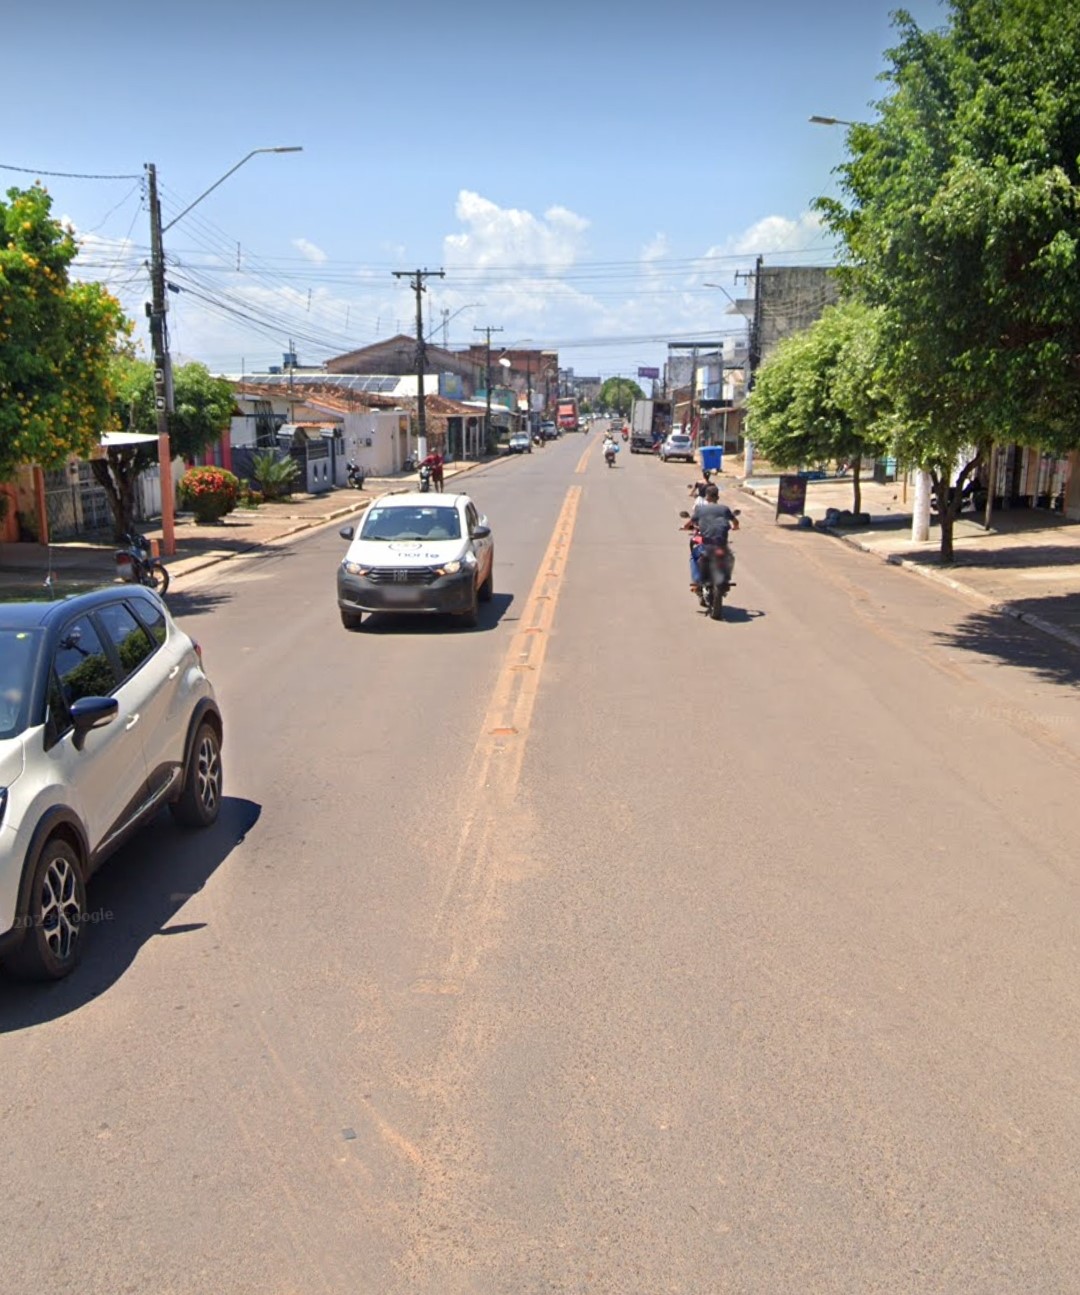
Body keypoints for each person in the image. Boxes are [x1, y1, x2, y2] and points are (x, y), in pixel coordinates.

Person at [682, 484, 739, 591]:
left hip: (706, 545)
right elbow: (735, 521)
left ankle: (696, 582)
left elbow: (689, 523)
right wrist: (735, 527)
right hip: (722, 545)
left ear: (707, 497)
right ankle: (726, 579)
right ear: (717, 497)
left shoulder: (700, 510)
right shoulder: (724, 509)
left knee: (694, 557)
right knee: (730, 557)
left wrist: (684, 527)